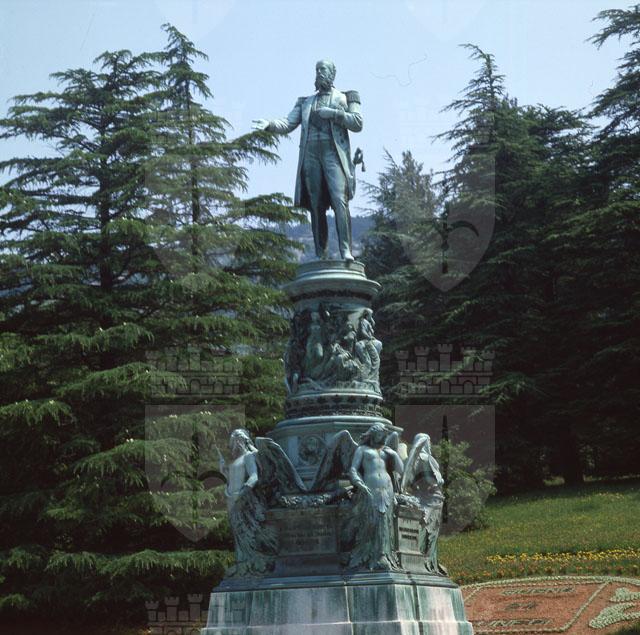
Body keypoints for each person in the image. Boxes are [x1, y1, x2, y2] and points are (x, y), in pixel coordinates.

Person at [252, 59, 363, 261]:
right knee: (315, 204)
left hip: (333, 153)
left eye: (323, 69)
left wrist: (333, 114)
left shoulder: (347, 97)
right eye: (317, 69)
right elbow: (287, 123)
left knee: (340, 200)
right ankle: (321, 254)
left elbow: (357, 123)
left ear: (332, 73)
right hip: (310, 154)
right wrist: (269, 124)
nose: (319, 73)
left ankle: (345, 250)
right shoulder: (305, 102)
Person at [347, 423, 403, 570]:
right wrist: (359, 483)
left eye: (384, 436)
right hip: (370, 488)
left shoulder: (386, 451)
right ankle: (369, 554)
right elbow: (353, 469)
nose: (382, 438)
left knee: (385, 521)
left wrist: (394, 454)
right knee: (372, 520)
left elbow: (400, 469)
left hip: (387, 489)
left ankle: (383, 555)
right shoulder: (362, 450)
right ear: (372, 435)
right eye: (379, 435)